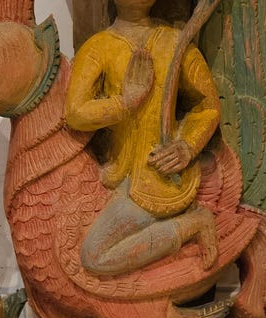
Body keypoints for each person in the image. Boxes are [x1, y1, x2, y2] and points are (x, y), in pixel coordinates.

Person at [66, 0, 221, 276]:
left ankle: (194, 224)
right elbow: (75, 113)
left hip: (159, 177)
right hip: (117, 173)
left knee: (94, 256)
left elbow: (207, 106)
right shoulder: (98, 47)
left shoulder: (175, 43)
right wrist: (124, 104)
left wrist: (187, 146)